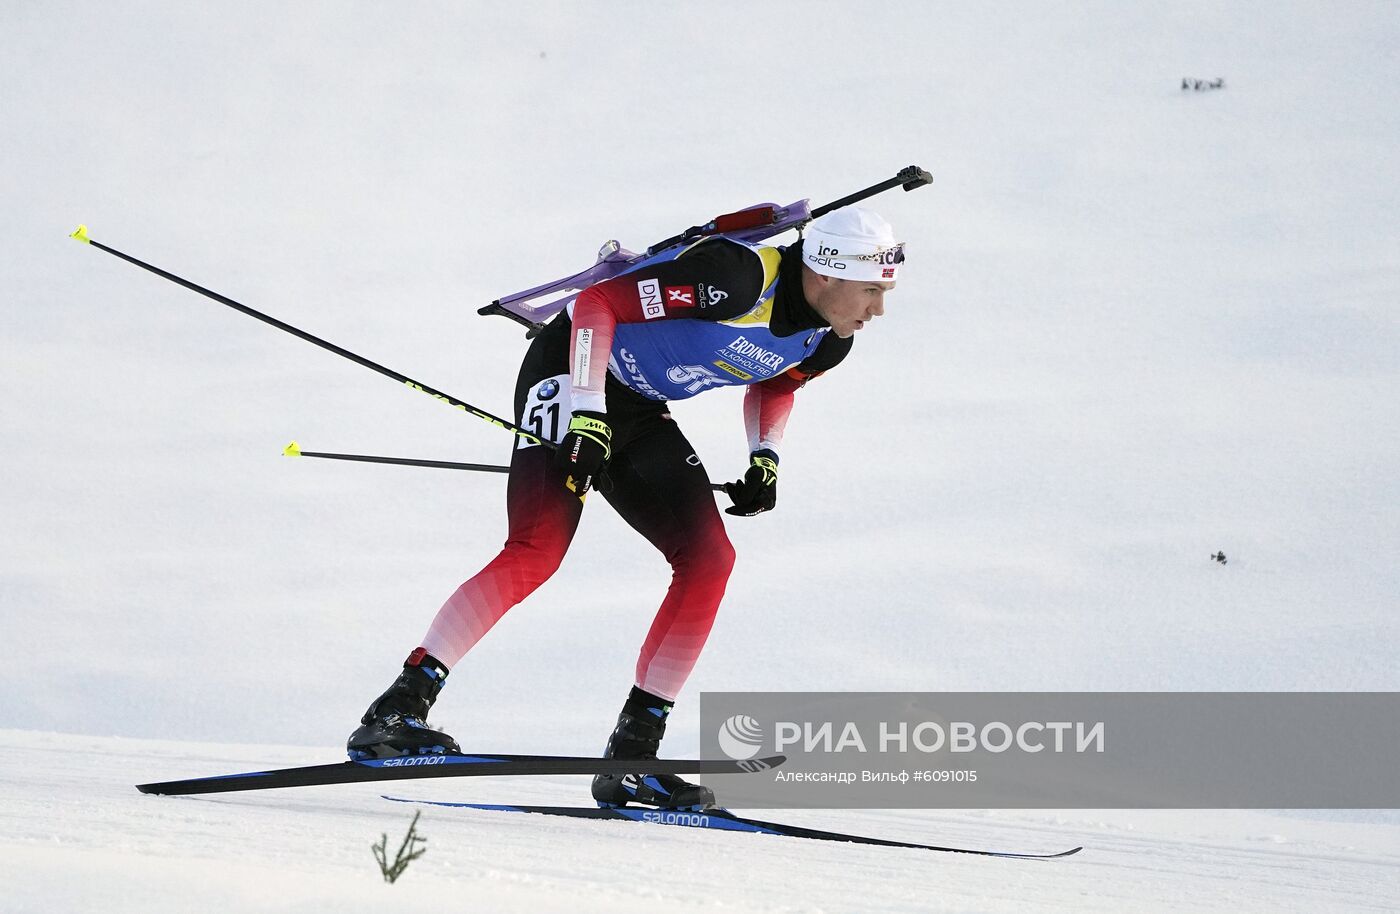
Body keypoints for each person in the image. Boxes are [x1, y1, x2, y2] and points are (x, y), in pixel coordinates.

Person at [347, 207, 905, 809]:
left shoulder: (828, 340)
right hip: (571, 368)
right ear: (824, 273)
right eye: (871, 290)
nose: (877, 310)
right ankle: (397, 712)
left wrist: (764, 456)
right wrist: (587, 409)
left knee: (710, 560)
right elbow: (597, 306)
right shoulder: (736, 277)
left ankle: (633, 755)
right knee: (537, 550)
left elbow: (777, 381)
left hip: (635, 405)